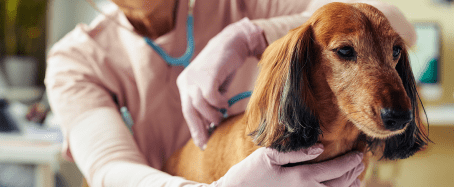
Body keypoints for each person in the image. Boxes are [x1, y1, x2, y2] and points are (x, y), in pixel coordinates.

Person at [45, 0, 416, 186]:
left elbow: (392, 21)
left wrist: (247, 36)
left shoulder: (238, 4)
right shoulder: (75, 61)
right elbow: (110, 169)